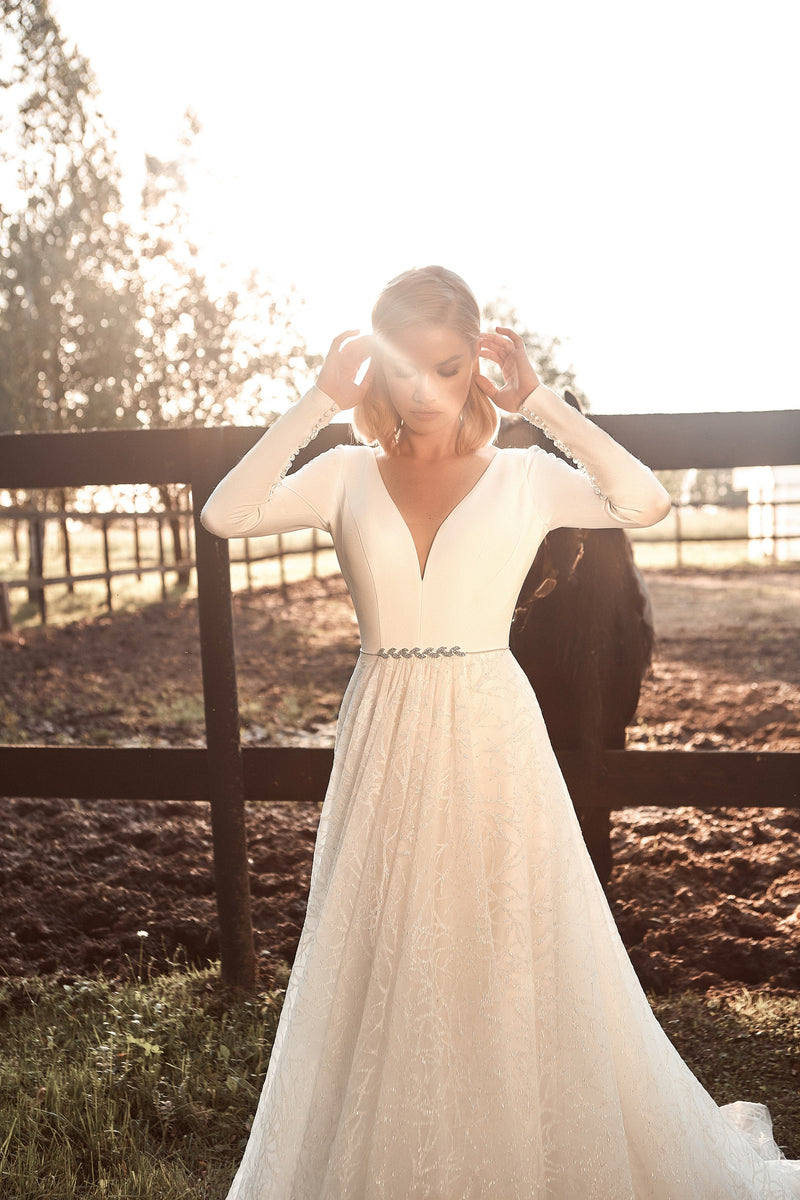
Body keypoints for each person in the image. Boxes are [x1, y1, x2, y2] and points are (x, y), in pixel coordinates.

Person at [201, 266, 799, 1199]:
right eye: (404, 370)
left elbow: (646, 502)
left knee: (508, 934)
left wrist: (543, 406)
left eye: (447, 369)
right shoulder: (343, 473)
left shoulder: (524, 476)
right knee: (384, 942)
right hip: (386, 732)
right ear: (378, 368)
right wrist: (320, 397)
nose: (425, 392)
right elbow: (223, 513)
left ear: (476, 364)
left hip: (490, 731)